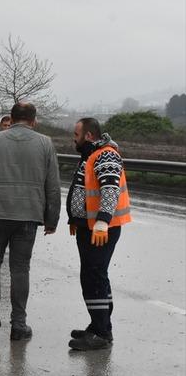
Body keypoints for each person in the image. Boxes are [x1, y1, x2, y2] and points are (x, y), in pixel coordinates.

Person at [0, 102, 61, 341]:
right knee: (20, 268)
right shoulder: (45, 143)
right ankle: (19, 324)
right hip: (29, 214)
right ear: (34, 120)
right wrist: (51, 218)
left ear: (11, 118)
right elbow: (53, 185)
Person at [66, 117, 131, 351]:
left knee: (94, 276)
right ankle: (100, 325)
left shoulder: (106, 155)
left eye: (76, 135)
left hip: (101, 229)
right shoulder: (92, 154)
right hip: (89, 227)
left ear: (88, 135)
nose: (73, 139)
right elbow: (85, 189)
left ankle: (101, 333)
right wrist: (76, 219)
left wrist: (102, 222)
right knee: (94, 275)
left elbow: (110, 189)